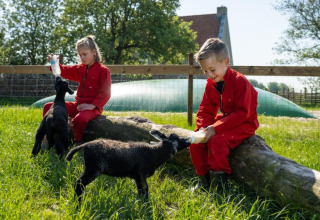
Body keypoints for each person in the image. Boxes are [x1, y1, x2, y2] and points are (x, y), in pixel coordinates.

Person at [189, 38, 259, 192]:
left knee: (217, 142)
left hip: (244, 124)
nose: (209, 74)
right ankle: (204, 182)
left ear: (226, 62)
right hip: (225, 121)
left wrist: (215, 128)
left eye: (212, 70)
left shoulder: (240, 82)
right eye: (205, 71)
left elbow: (242, 114)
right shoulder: (211, 84)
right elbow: (206, 109)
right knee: (196, 142)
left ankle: (219, 187)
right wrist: (203, 128)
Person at [44, 35, 111, 145]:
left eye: (85, 54)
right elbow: (65, 70)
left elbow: (106, 93)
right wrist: (54, 63)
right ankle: (49, 135)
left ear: (94, 52)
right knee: (49, 107)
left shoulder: (103, 70)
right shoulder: (80, 68)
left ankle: (77, 141)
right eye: (80, 55)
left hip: (93, 108)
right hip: (78, 105)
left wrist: (92, 106)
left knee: (80, 119)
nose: (82, 58)